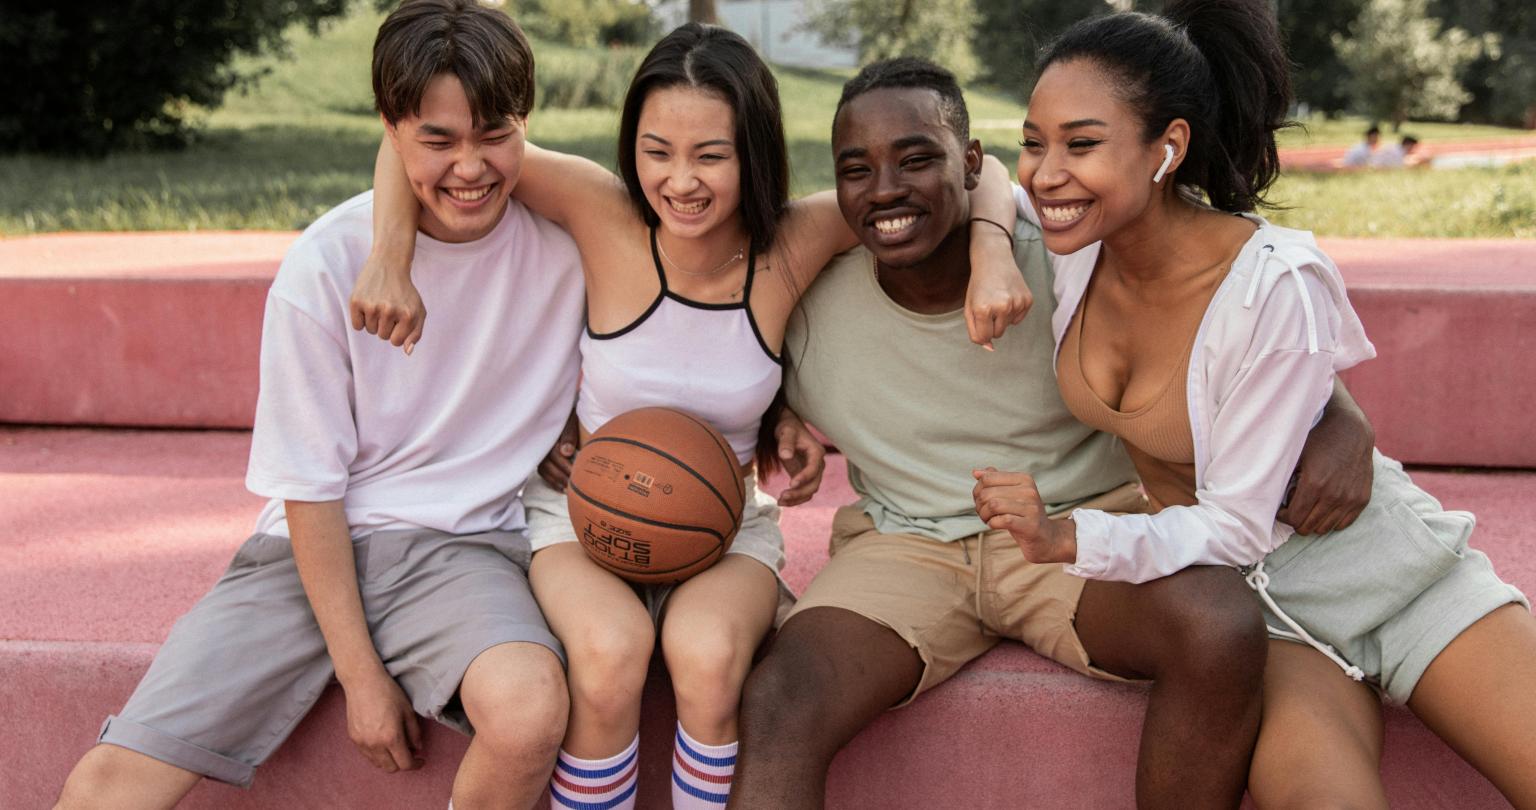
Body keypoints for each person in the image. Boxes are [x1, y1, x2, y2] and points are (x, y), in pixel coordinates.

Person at [353, 25, 1030, 809]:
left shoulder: (797, 239)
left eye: (711, 155)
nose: (681, 182)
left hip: (723, 523)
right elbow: (422, 146)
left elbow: (989, 175)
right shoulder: (598, 209)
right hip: (582, 515)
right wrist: (387, 257)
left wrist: (994, 254)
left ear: (754, 151)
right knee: (609, 653)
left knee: (707, 657)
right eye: (656, 151)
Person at [729, 57, 1378, 810]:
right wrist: (778, 413)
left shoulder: (1067, 253)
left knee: (1217, 623)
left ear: (971, 164)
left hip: (1079, 527)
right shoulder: (808, 299)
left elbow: (1225, 306)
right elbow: (717, 357)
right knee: (781, 695)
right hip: (903, 545)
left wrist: (1337, 408)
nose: (885, 190)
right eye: (857, 169)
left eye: (916, 159)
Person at [994, 2, 1536, 806]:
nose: (1045, 173)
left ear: (1167, 148)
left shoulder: (1273, 280)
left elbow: (1237, 519)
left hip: (1389, 576)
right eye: (1034, 143)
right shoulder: (1073, 246)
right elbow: (970, 177)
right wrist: (982, 253)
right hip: (1266, 619)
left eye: (1081, 144)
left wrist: (1069, 535)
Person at [53, 3, 581, 809]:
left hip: (462, 549)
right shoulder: (326, 264)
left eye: (493, 134)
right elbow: (310, 489)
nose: (469, 166)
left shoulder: (568, 247)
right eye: (436, 140)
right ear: (390, 129)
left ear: (526, 124)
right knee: (110, 782)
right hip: (306, 558)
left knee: (530, 706)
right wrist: (363, 678)